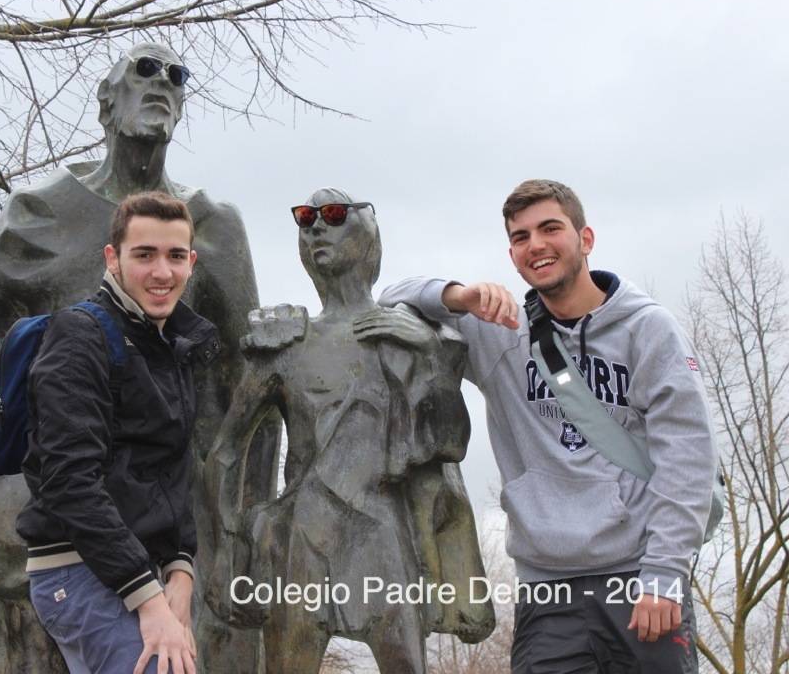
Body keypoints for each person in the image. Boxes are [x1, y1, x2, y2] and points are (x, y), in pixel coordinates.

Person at [0, 43, 272, 673]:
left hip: (158, 533)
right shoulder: (40, 216)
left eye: (176, 76)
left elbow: (238, 378)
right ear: (107, 102)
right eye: (144, 70)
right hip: (70, 537)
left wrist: (183, 566)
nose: (162, 82)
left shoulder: (214, 229)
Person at [375, 179, 715, 673]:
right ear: (512, 255)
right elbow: (390, 299)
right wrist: (460, 295)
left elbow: (687, 455)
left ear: (585, 238)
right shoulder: (500, 333)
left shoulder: (647, 329)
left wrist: (665, 573)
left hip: (640, 579)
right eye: (521, 236)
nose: (535, 244)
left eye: (550, 229)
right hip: (548, 590)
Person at [205, 188, 494, 674]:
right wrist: (227, 547)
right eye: (306, 218)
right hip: (301, 540)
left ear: (368, 233)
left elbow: (450, 445)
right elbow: (226, 451)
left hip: (385, 538)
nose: (317, 226)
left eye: (335, 215)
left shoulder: (409, 336)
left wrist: (431, 357)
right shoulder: (286, 343)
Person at [19, 191, 211, 674]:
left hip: (137, 570)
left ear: (191, 263)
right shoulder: (79, 336)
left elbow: (171, 472)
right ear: (113, 258)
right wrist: (148, 598)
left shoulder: (172, 344)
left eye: (175, 256)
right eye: (144, 255)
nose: (162, 272)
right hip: (77, 569)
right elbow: (68, 481)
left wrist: (181, 570)